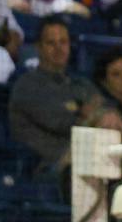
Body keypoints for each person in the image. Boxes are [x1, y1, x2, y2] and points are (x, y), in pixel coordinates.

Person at [8, 18, 108, 180]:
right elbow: (61, 122)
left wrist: (86, 114)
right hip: (47, 167)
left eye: (63, 42)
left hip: (87, 158)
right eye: (51, 43)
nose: (59, 49)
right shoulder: (27, 85)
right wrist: (88, 116)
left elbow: (105, 113)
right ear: (38, 47)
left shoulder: (81, 83)